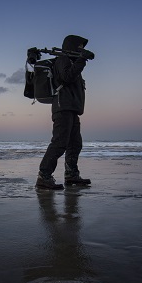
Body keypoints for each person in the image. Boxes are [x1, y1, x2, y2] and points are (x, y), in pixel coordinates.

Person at [36, 34, 95, 190]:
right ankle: (44, 176)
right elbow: (67, 77)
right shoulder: (62, 59)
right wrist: (82, 60)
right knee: (60, 143)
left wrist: (79, 60)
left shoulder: (71, 61)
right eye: (80, 47)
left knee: (75, 144)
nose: (82, 49)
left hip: (72, 109)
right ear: (72, 46)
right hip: (63, 108)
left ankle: (71, 175)